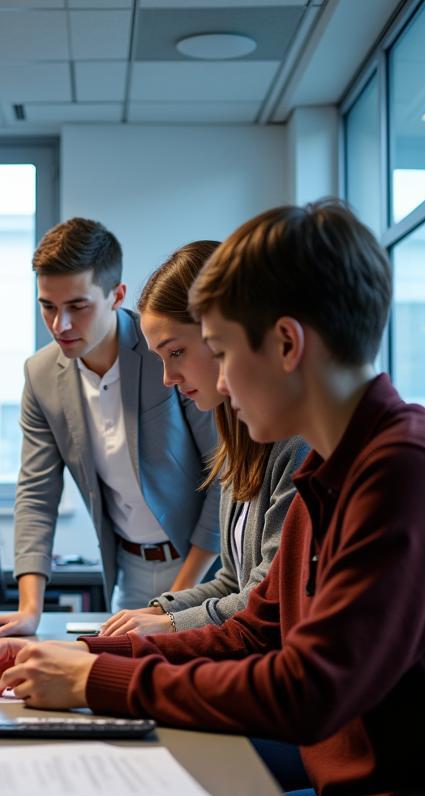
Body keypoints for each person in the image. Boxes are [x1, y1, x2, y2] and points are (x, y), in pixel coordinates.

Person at [0, 200, 425, 796]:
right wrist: (95, 674)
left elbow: (308, 690)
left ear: (285, 344)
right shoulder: (331, 468)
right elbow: (256, 630)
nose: (203, 384)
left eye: (213, 349)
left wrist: (105, 682)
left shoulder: (407, 469)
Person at [0, 218, 220, 642]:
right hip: (129, 570)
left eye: (78, 307)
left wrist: (174, 602)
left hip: (206, 564)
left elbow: (223, 472)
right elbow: (36, 493)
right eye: (47, 305)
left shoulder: (165, 348)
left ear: (116, 296)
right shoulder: (41, 374)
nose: (60, 324)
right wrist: (29, 610)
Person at [99, 240, 308, 638]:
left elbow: (268, 598)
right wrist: (160, 611)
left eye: (176, 352)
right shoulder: (238, 439)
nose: (167, 378)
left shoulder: (297, 443)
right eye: (159, 358)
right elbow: (233, 580)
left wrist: (170, 624)